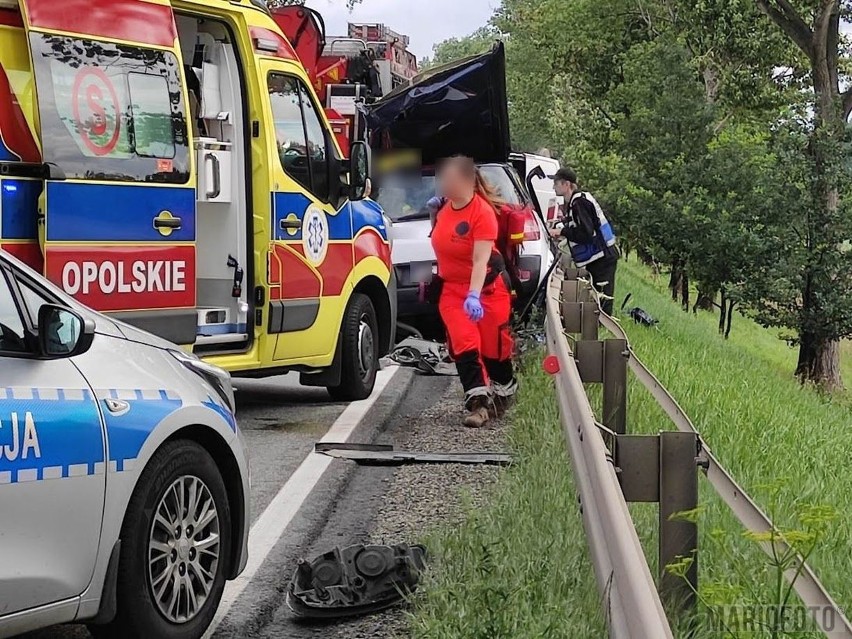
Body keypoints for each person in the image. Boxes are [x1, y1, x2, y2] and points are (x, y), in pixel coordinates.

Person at [431, 156, 517, 428]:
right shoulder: (443, 210)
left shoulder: (482, 213)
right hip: (452, 291)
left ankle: (503, 393)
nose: (443, 183)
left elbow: (480, 261)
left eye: (449, 178)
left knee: (494, 350)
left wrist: (474, 294)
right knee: (465, 345)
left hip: (488, 290)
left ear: (466, 181)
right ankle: (477, 405)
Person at [549, 167, 619, 315]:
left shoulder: (579, 203)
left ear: (566, 184)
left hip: (602, 257)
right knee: (598, 294)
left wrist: (562, 231)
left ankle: (603, 325)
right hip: (603, 254)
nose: (553, 187)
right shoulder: (579, 199)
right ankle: (599, 323)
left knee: (602, 297)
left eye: (556, 183)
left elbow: (586, 234)